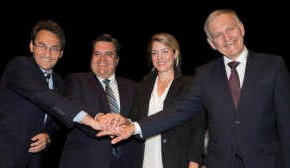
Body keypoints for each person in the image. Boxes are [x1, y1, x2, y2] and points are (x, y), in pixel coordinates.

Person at [98, 9, 290, 168]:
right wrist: (134, 128)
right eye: (217, 35)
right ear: (211, 43)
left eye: (230, 29)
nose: (226, 38)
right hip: (220, 162)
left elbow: (286, 123)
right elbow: (178, 111)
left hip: (266, 161)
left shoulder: (273, 66)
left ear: (241, 28)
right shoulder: (205, 74)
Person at [0, 20, 102, 168]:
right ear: (31, 46)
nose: (48, 54)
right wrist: (92, 121)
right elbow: (41, 94)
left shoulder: (60, 83)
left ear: (61, 53)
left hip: (34, 156)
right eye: (42, 46)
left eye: (54, 48)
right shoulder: (18, 66)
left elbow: (58, 118)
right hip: (4, 151)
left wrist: (48, 136)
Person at [58, 34, 138, 168]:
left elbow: (141, 115)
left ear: (117, 59)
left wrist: (125, 121)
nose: (102, 58)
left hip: (127, 161)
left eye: (108, 54)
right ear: (91, 57)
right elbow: (72, 103)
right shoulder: (76, 80)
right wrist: (101, 117)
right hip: (85, 160)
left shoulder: (134, 86)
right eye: (97, 54)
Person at [129, 33, 205, 168]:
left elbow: (197, 127)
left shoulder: (190, 84)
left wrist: (194, 163)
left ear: (175, 54)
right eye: (154, 52)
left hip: (176, 159)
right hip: (144, 158)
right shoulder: (142, 85)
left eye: (165, 51)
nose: (160, 57)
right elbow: (134, 119)